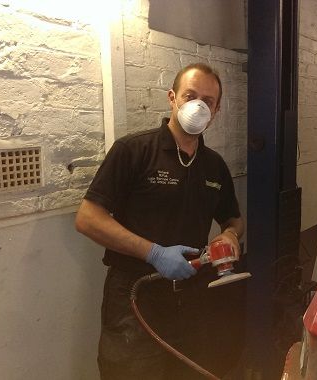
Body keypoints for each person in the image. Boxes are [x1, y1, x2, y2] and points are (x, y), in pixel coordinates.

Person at [75, 63, 245, 379]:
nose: (199, 105)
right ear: (172, 98)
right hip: (135, 298)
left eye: (208, 101)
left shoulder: (214, 166)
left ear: (217, 109)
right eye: (190, 95)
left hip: (191, 301)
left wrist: (231, 235)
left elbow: (232, 218)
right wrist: (153, 252)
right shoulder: (134, 151)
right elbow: (88, 218)